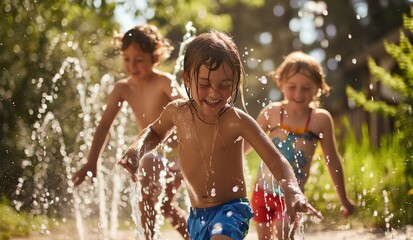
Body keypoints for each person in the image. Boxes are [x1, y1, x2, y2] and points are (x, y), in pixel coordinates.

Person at [119, 31, 323, 240]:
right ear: (188, 79)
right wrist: (137, 149)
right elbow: (154, 132)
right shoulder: (177, 112)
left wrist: (292, 190)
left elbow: (275, 158)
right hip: (197, 215)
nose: (214, 93)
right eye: (205, 84)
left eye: (224, 85)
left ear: (235, 82)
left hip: (232, 210)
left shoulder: (236, 121)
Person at [71, 24, 189, 239]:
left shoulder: (164, 82)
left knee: (163, 204)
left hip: (177, 154)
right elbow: (104, 126)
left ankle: (193, 236)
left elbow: (189, 109)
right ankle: (148, 238)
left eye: (139, 60)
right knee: (148, 198)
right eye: (126, 58)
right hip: (150, 153)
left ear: (155, 55)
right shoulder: (122, 88)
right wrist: (91, 161)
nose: (132, 65)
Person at [246, 51, 355, 239]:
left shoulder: (320, 120)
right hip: (262, 192)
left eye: (306, 88)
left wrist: (343, 198)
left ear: (318, 88)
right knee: (263, 237)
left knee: (283, 234)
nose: (298, 93)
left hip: (293, 196)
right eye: (292, 86)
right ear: (280, 83)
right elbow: (245, 146)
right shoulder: (271, 113)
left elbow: (332, 160)